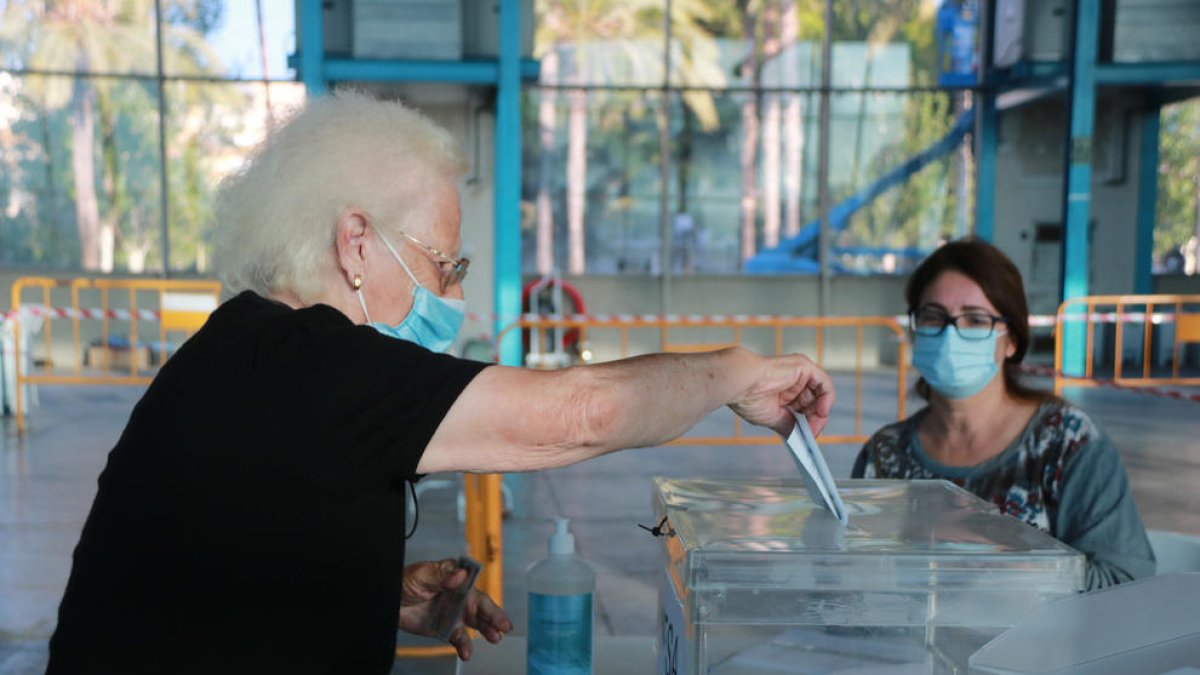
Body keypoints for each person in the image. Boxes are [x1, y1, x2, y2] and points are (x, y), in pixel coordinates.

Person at [47, 91, 836, 673]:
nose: (452, 297)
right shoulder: (312, 364)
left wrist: (371, 592)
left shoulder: (249, 350)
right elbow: (584, 412)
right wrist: (740, 371)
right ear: (356, 242)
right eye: (442, 266)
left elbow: (218, 565)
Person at [852, 239, 1154, 590]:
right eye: (933, 316)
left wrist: (994, 558)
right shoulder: (884, 454)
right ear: (915, 329)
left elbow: (1128, 583)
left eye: (976, 320)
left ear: (1011, 339)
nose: (951, 333)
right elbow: (854, 580)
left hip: (1047, 645)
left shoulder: (1067, 444)